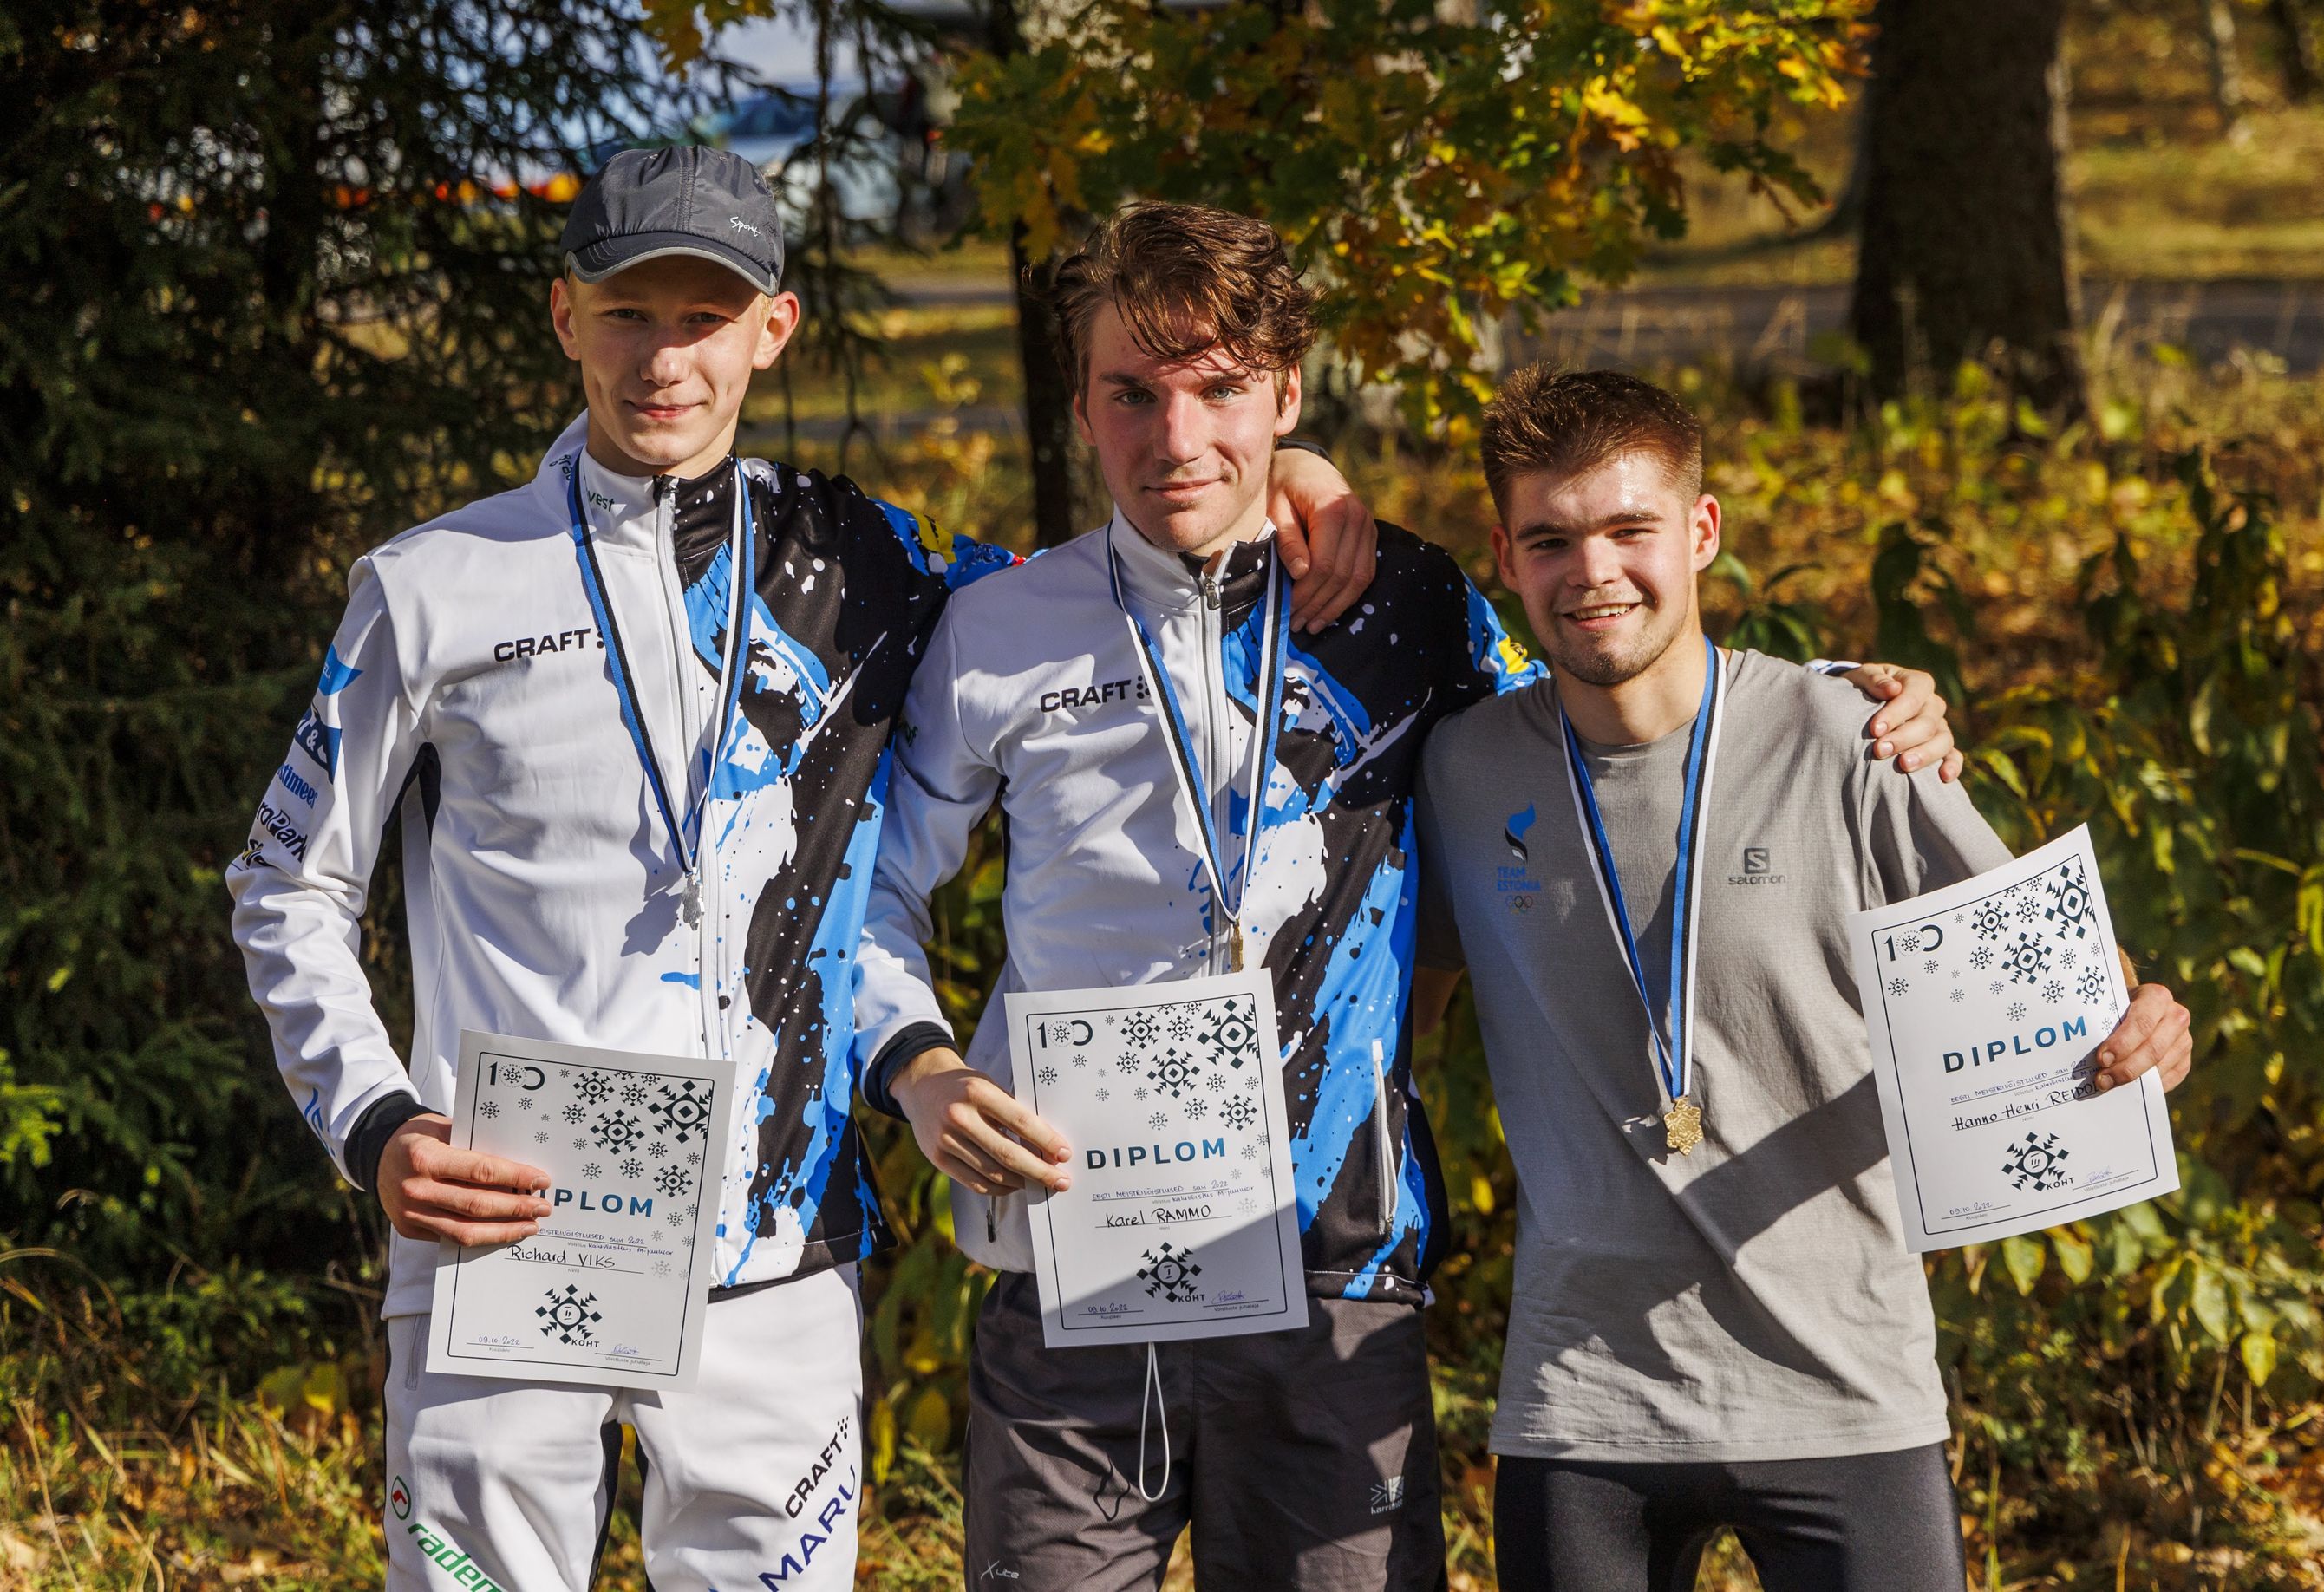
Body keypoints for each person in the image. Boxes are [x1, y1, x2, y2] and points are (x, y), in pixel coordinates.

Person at [225, 148, 1381, 1592]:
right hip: (507, 1230)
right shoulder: (431, 587)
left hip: (781, 1248)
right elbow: (286, 885)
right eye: (627, 312)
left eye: (701, 318)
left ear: (768, 331)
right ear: (564, 317)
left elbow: (1116, 585)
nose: (664, 357)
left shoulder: (870, 562)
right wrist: (378, 1120)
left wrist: (1297, 477)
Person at [847, 203, 1964, 1592]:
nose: (1176, 438)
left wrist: (1854, 707)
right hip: (1069, 1256)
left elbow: (1619, 713)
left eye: (1220, 391)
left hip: (1338, 1270)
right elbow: (868, 889)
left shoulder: (1411, 607)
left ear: (1288, 392)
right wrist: (918, 1067)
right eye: (1131, 394)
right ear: (1079, 403)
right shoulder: (998, 626)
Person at [1412, 366, 2197, 1592]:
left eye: (1632, 530)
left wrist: (2143, 1026)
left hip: (1848, 1390)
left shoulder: (1855, 735)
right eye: (1551, 540)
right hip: (1586, 1406)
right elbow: (1388, 1003)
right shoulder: (1460, 771)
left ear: (1704, 532)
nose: (1595, 571)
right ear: (1505, 559)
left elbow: (2055, 983)